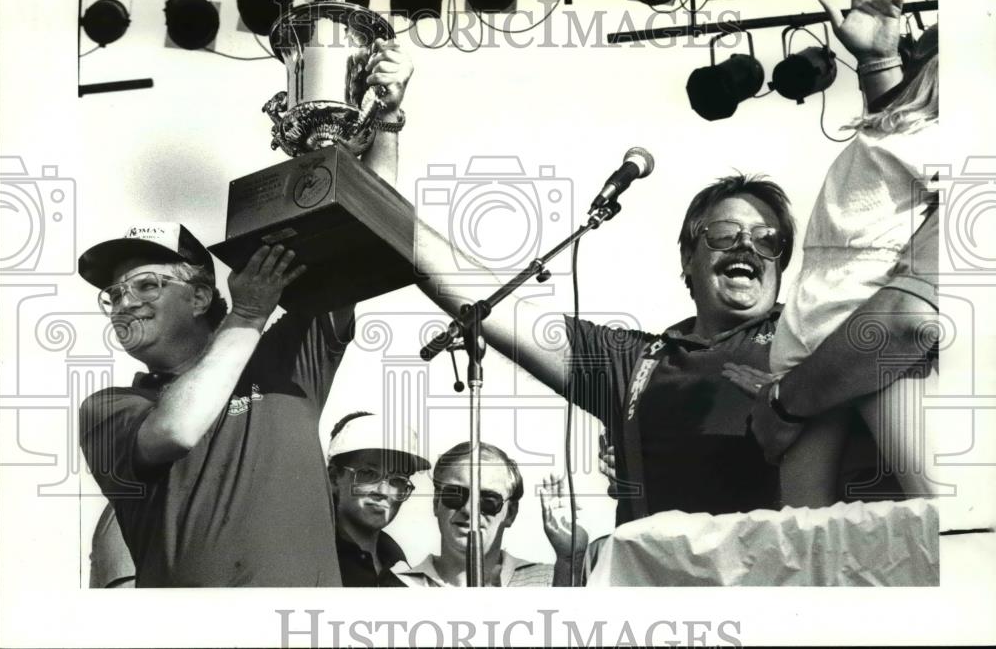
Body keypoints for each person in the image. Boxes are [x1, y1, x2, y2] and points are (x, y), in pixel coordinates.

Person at [79, 42, 414, 587]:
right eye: (113, 294)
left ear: (200, 296)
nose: (124, 303)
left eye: (145, 284)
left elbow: (367, 238)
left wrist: (389, 120)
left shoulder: (287, 361)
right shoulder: (111, 408)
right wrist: (250, 314)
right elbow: (178, 429)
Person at [413, 175, 795, 523]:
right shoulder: (634, 359)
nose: (747, 245)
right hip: (653, 581)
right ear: (687, 258)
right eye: (725, 234)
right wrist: (385, 132)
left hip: (768, 583)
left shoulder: (805, 340)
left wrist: (796, 402)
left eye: (767, 240)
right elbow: (484, 300)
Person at [723, 0, 941, 507]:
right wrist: (878, 63)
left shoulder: (939, 140)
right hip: (841, 331)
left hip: (831, 328)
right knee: (814, 536)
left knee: (811, 533)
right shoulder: (904, 132)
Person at [395, 442, 588, 587]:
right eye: (455, 494)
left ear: (510, 513)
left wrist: (570, 558)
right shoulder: (397, 588)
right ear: (436, 502)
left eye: (488, 500)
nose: (469, 509)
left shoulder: (550, 582)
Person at [326, 411, 430, 587]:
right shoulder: (309, 554)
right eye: (368, 473)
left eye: (397, 480)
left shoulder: (402, 570)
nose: (383, 491)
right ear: (334, 477)